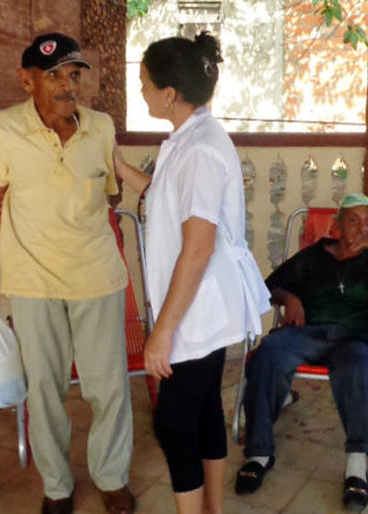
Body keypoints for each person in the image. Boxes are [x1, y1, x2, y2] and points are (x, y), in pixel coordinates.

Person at [0, 33, 135, 514]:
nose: (66, 85)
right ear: (27, 79)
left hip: (97, 275)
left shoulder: (100, 126)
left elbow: (111, 195)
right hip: (31, 280)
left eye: (73, 75)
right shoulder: (2, 128)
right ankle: (57, 487)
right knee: (45, 390)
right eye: (54, 75)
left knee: (109, 387)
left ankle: (111, 477)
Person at [112, 33, 270, 514]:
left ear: (168, 94)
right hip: (199, 309)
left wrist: (161, 332)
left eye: (143, 83)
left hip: (195, 313)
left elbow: (197, 249)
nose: (139, 91)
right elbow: (166, 197)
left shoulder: (199, 148)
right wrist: (121, 169)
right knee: (201, 412)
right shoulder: (190, 138)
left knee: (173, 423)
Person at [235, 193, 368, 511]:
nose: (362, 228)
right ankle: (259, 453)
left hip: (352, 340)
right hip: (304, 334)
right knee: (267, 353)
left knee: (360, 369)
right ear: (338, 224)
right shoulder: (313, 256)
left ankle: (356, 468)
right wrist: (290, 297)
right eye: (353, 220)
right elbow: (268, 288)